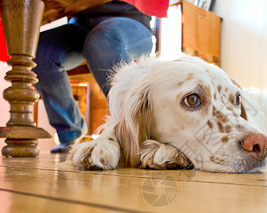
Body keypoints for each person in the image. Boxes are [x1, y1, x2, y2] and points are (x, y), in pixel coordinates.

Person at [33, 0, 168, 153]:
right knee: (38, 50)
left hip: (131, 22)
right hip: (80, 24)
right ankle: (70, 131)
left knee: (102, 40)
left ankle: (134, 131)